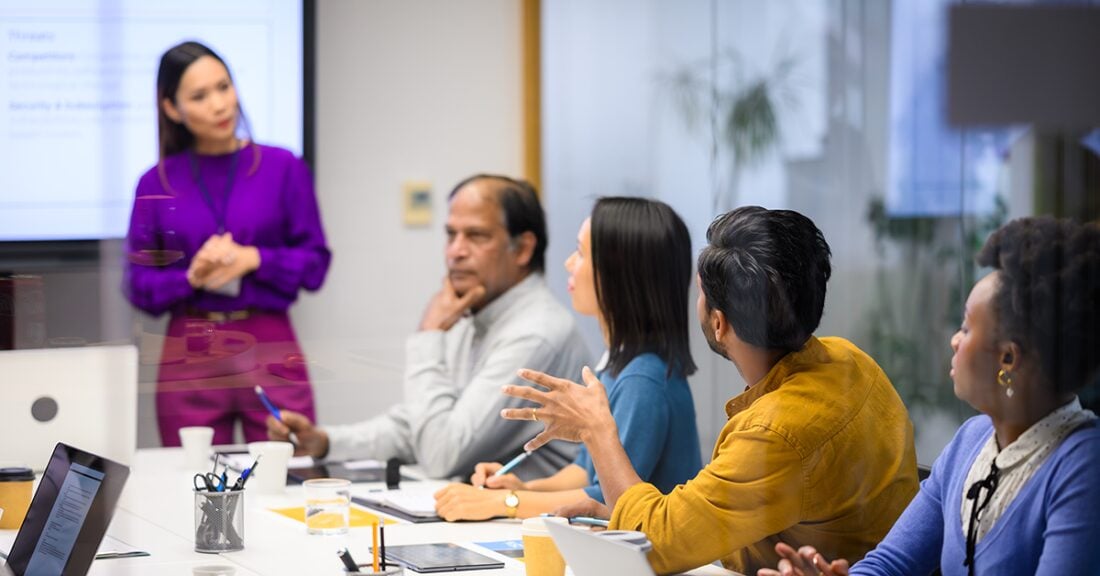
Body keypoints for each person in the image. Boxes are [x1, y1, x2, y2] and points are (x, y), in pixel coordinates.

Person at [503, 206, 920, 575]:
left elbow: (659, 545)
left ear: (719, 324)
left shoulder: (775, 431)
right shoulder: (850, 358)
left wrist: (598, 429)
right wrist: (619, 511)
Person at [761, 217, 1100, 576]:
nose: (955, 339)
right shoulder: (970, 441)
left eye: (966, 327)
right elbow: (890, 564)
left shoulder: (1084, 466)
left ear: (1008, 358)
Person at [267, 175, 592, 478]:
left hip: (537, 526)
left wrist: (428, 336)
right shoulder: (478, 308)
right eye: (451, 234)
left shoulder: (536, 332)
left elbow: (442, 455)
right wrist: (324, 442)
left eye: (476, 236)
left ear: (522, 249)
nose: (455, 252)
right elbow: (419, 426)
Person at [434, 197, 703, 521]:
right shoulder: (619, 365)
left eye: (581, 253)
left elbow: (606, 500)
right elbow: (584, 470)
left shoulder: (643, 381)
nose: (568, 263)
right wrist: (523, 489)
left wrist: (505, 503)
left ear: (617, 273)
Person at [124, 41, 331, 446]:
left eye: (224, 87)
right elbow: (139, 287)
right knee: (195, 484)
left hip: (269, 340)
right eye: (200, 96)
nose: (219, 105)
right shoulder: (156, 182)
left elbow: (316, 264)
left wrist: (256, 258)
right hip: (191, 345)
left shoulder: (283, 167)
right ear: (171, 108)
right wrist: (192, 277)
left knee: (291, 471)